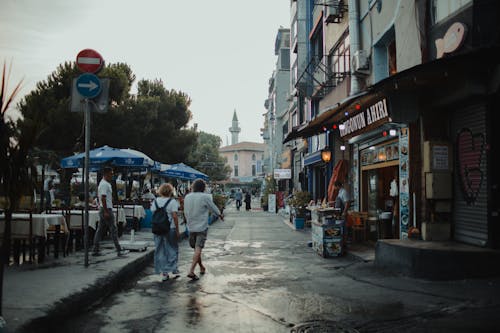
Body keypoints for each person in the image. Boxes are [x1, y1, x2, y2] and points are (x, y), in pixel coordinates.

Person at [183, 178, 223, 280]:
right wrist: (219, 214)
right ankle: (191, 271)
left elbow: (185, 211)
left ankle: (201, 267)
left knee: (196, 249)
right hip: (201, 226)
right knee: (198, 249)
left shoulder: (187, 197)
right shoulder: (205, 197)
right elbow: (212, 207)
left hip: (190, 226)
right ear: (203, 188)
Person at [92, 167, 129, 257]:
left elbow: (104, 197)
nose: (112, 175)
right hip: (107, 209)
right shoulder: (104, 184)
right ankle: (119, 250)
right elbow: (103, 197)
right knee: (113, 229)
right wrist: (105, 211)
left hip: (104, 208)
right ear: (106, 174)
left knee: (100, 230)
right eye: (111, 174)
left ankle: (95, 249)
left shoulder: (104, 183)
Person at [150, 183, 180, 281]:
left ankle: (164, 273)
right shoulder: (172, 202)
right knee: (172, 248)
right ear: (171, 191)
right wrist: (177, 230)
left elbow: (153, 214)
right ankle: (174, 269)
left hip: (157, 229)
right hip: (170, 228)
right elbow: (175, 217)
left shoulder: (155, 202)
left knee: (160, 250)